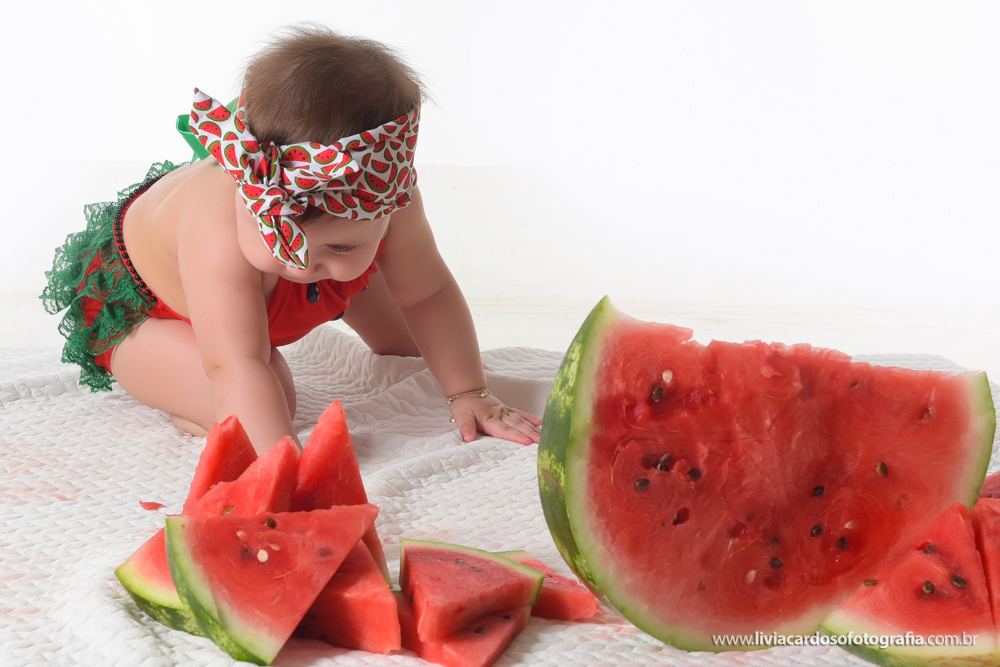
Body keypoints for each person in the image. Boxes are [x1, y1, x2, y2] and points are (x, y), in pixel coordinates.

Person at [41, 25, 541, 453]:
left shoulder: (392, 198)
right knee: (271, 397)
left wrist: (470, 392)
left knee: (411, 350)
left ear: (388, 208)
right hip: (145, 307)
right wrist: (286, 470)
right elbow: (234, 364)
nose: (301, 264)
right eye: (276, 232)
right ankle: (185, 401)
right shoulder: (214, 228)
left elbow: (428, 292)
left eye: (341, 244)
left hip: (268, 279)